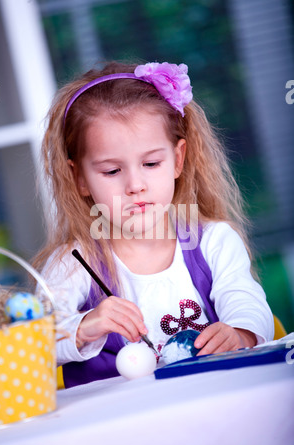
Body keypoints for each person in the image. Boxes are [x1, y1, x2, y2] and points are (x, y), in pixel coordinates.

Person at [34, 61, 274, 387]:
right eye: (112, 171)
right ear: (79, 178)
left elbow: (246, 302)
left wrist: (239, 333)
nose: (135, 185)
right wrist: (83, 326)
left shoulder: (214, 241)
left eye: (150, 163)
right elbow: (34, 347)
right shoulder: (72, 264)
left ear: (177, 159)